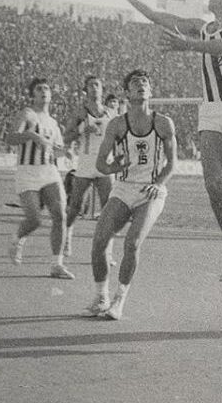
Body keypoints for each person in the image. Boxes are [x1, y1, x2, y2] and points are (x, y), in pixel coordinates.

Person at [111, 0, 222, 301]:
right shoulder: (201, 27)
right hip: (211, 111)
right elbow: (156, 16)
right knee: (214, 185)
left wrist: (189, 46)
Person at [85, 69, 177, 320]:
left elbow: (172, 164)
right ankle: (101, 297)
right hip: (124, 187)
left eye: (145, 82)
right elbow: (101, 164)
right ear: (127, 92)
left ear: (151, 91)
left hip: (151, 190)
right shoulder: (117, 124)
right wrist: (115, 167)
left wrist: (158, 183)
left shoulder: (163, 123)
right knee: (99, 241)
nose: (141, 85)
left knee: (132, 243)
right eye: (136, 83)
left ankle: (119, 300)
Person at [6, 77, 74, 280]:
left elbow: (56, 150)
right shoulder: (27, 114)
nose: (43, 91)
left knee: (60, 215)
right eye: (39, 89)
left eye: (46, 89)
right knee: (34, 220)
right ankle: (17, 238)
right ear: (33, 95)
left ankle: (57, 264)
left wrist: (65, 152)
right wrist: (31, 136)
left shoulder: (53, 123)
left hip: (49, 171)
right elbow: (10, 138)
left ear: (51, 95)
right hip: (27, 172)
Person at [63, 75, 116, 257]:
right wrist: (81, 130)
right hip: (85, 164)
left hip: (105, 165)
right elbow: (66, 137)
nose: (94, 88)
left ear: (102, 89)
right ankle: (67, 236)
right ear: (86, 90)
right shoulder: (80, 112)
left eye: (97, 85)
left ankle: (107, 251)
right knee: (76, 206)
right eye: (91, 85)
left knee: (108, 209)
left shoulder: (111, 113)